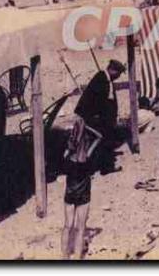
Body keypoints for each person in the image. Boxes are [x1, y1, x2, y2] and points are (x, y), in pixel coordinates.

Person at [74, 60, 126, 174]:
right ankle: (106, 168)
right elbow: (99, 103)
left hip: (99, 117)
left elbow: (109, 101)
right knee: (106, 139)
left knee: (104, 140)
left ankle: (101, 165)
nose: (118, 77)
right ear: (113, 70)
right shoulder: (101, 80)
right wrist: (104, 119)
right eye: (118, 74)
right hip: (93, 117)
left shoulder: (106, 79)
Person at [61, 116, 102, 259]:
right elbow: (99, 137)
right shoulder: (86, 156)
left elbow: (69, 146)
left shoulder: (68, 155)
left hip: (70, 192)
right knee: (80, 228)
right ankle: (78, 258)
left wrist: (76, 129)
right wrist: (86, 127)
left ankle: (64, 257)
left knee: (68, 226)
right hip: (84, 192)